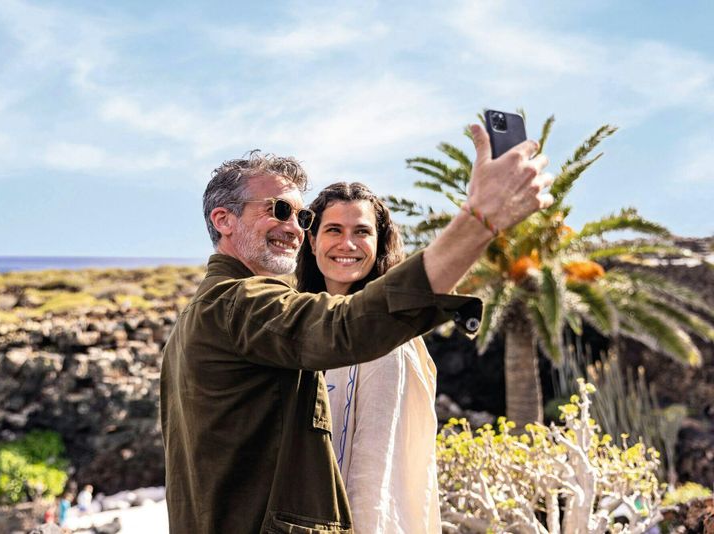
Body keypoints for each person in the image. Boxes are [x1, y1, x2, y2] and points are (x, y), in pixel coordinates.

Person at [160, 126, 553, 534]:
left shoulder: (203, 313)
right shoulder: (236, 304)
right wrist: (479, 221)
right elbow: (345, 327)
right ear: (223, 219)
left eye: (303, 216)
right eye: (279, 210)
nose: (295, 228)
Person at [296, 182, 440, 533]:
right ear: (312, 241)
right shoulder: (299, 324)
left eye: (362, 232)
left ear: (378, 244)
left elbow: (376, 471)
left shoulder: (386, 341)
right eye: (333, 230)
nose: (347, 244)